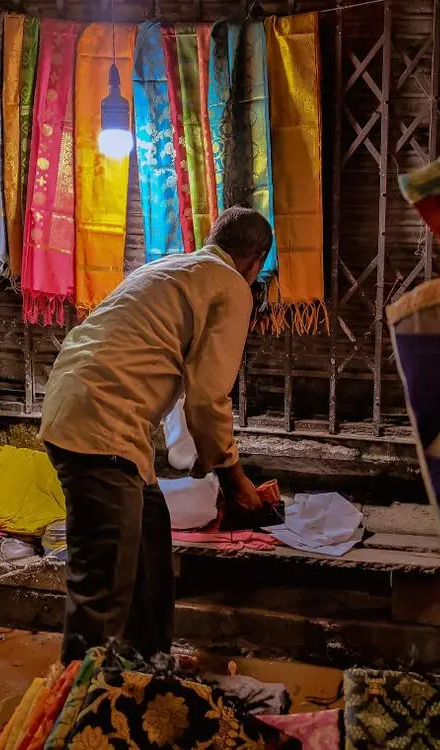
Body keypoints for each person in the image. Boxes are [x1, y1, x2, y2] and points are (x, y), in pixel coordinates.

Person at [40, 206, 271, 664]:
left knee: (149, 551)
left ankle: (146, 669)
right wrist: (234, 480)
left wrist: (210, 460)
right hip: (101, 426)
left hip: (89, 413)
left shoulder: (173, 266)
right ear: (255, 261)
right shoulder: (231, 285)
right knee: (104, 585)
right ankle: (79, 697)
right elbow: (207, 398)